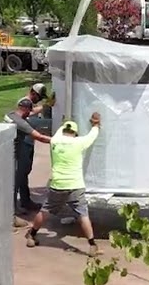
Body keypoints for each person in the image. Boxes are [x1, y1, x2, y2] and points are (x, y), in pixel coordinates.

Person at [24, 113, 102, 255]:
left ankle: (32, 235)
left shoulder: (54, 141)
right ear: (75, 133)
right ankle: (92, 245)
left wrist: (64, 120)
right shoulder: (79, 143)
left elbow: (59, 132)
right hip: (76, 184)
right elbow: (92, 135)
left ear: (63, 131)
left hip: (58, 185)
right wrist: (96, 125)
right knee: (83, 214)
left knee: (45, 210)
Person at [6, 97, 50, 214]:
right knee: (15, 182)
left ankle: (23, 203)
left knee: (20, 178)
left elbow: (33, 111)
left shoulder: (10, 115)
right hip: (14, 156)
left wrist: (45, 106)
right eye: (28, 112)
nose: (29, 114)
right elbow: (39, 137)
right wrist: (57, 140)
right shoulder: (21, 123)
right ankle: (13, 212)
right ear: (24, 109)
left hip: (7, 153)